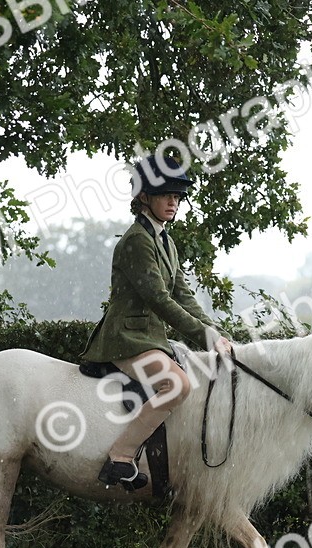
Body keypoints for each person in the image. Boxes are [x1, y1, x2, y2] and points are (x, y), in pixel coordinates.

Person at [80, 155, 232, 490]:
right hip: (126, 338)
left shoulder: (166, 240)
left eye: (177, 197)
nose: (172, 202)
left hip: (150, 340)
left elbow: (183, 293)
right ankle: (120, 456)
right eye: (166, 195)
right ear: (144, 197)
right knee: (177, 384)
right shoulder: (137, 240)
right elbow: (160, 300)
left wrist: (214, 333)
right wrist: (205, 336)